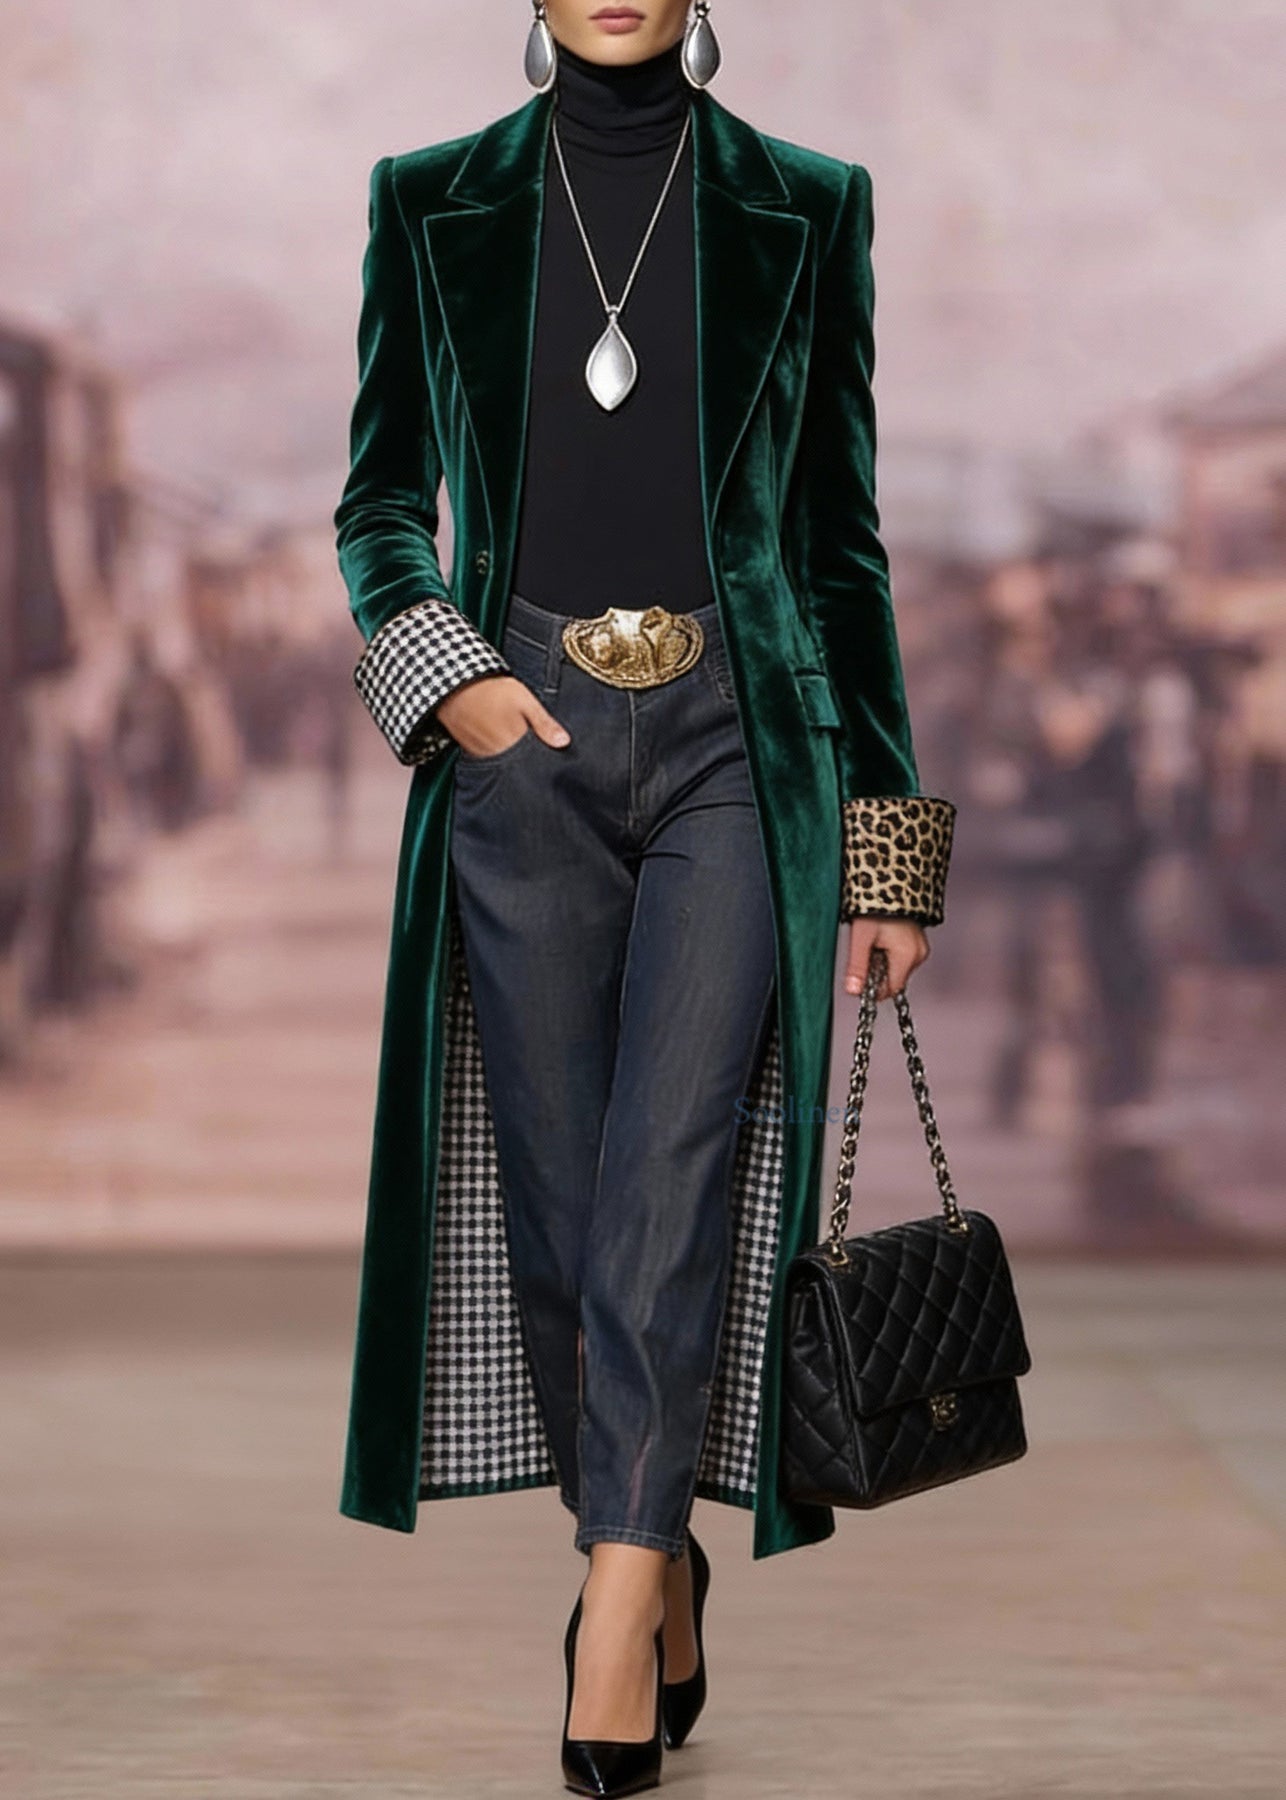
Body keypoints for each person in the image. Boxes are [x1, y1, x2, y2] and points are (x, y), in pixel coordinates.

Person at [333, 4, 956, 1792]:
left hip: (737, 744)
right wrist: (447, 678)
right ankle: (654, 1545)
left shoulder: (809, 202)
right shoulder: (428, 198)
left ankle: (613, 1602)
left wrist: (886, 843)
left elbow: (838, 539)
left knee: (673, 1168)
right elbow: (379, 504)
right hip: (514, 730)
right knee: (555, 1197)